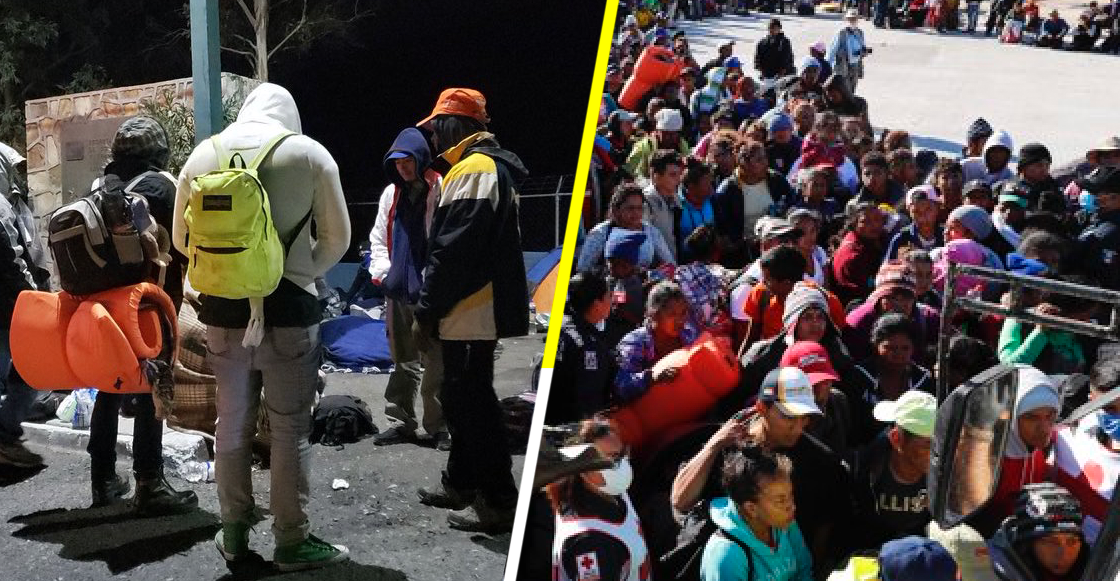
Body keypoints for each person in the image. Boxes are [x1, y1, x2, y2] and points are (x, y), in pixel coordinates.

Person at [173, 83, 351, 568]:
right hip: (291, 314)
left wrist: (229, 276)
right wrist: (294, 274)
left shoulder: (203, 155)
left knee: (230, 422)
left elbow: (179, 239)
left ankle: (233, 533)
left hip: (223, 316)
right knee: (290, 429)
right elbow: (337, 240)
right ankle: (292, 540)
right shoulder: (310, 154)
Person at [409, 88, 529, 533]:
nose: (432, 138)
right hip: (472, 308)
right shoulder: (480, 167)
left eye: (435, 128)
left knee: (473, 402)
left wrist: (427, 309)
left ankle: (497, 499)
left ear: (451, 125)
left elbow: (453, 251)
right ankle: (460, 481)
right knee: (463, 398)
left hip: (470, 310)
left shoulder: (474, 169)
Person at [87, 116, 198, 513]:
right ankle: (149, 483)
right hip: (150, 305)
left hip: (104, 305)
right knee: (153, 385)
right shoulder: (162, 186)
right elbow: (184, 245)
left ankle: (102, 480)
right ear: (158, 152)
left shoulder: (101, 186)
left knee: (109, 383)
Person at [672, 367, 852, 576]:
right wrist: (713, 446)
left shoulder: (822, 462)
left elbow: (825, 527)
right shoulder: (726, 444)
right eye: (789, 417)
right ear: (761, 408)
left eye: (804, 416)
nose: (798, 426)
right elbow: (680, 500)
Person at [367, 127, 449, 450]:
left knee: (435, 361)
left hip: (427, 293)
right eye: (397, 162)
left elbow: (441, 239)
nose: (402, 167)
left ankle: (438, 425)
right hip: (397, 292)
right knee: (402, 360)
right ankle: (401, 422)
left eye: (407, 161)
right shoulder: (391, 194)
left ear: (420, 157)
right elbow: (378, 238)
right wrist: (385, 276)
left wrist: (433, 283)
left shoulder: (439, 188)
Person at [549, 420, 652, 581]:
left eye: (620, 455)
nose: (620, 466)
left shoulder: (612, 491)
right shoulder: (590, 543)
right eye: (609, 459)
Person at [0, 142, 49, 468]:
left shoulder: (10, 202)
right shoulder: (1, 207)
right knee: (34, 371)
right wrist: (35, 298)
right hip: (9, 306)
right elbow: (13, 259)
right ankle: (5, 436)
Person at [700, 446, 814, 581]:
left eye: (791, 496)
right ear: (751, 508)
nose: (792, 506)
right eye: (780, 500)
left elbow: (805, 570)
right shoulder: (726, 556)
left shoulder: (784, 521)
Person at [848, 390, 937, 552]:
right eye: (927, 444)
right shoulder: (864, 470)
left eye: (941, 442)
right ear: (896, 438)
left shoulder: (946, 474)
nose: (937, 453)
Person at [849, 313, 934, 446]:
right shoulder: (858, 378)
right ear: (876, 346)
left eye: (905, 348)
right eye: (890, 348)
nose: (898, 355)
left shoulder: (924, 380)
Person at [712, 139, 794, 265]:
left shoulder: (776, 180)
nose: (766, 163)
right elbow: (724, 230)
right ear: (744, 163)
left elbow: (791, 206)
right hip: (744, 254)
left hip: (778, 246)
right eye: (759, 160)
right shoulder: (727, 190)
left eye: (765, 158)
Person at [614, 281, 697, 403]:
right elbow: (620, 386)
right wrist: (651, 378)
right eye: (672, 314)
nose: (680, 321)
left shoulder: (689, 335)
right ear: (653, 314)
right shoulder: (634, 343)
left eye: (683, 313)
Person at [844, 262, 941, 366]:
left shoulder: (930, 320)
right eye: (891, 297)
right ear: (879, 298)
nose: (898, 304)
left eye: (906, 297)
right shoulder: (858, 323)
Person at [547, 272, 613, 425]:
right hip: (570, 428)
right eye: (609, 296)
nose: (612, 301)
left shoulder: (562, 326)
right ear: (597, 304)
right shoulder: (585, 344)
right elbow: (587, 399)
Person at [989, 483, 1089, 581]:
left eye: (1072, 541)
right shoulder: (986, 568)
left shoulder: (1094, 564)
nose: (1064, 554)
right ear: (1026, 544)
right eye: (1051, 541)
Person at [578, 183, 677, 273]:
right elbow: (582, 269)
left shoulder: (651, 232)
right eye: (630, 208)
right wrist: (613, 271)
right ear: (616, 210)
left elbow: (670, 264)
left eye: (639, 208)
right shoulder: (600, 233)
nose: (636, 213)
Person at [780, 341, 852, 455]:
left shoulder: (838, 401)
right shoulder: (774, 417)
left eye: (824, 382)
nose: (818, 392)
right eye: (809, 384)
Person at [1072, 166, 1120, 291]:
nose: (1093, 198)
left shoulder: (1108, 234)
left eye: (1095, 194)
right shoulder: (1096, 219)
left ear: (1115, 197)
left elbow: (1102, 280)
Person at [831, 203, 888, 307]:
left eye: (877, 219)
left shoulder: (873, 240)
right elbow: (860, 296)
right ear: (854, 224)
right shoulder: (853, 256)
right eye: (866, 221)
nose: (874, 225)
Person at [626, 108, 691, 179]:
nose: (670, 137)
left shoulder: (682, 144)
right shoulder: (643, 147)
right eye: (666, 134)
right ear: (657, 131)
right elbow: (630, 173)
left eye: (674, 134)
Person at [885, 186, 944, 260]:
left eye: (928, 210)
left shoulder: (946, 235)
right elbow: (885, 268)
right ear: (909, 212)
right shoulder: (901, 238)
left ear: (937, 208)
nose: (923, 217)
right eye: (916, 212)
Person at [827, 10, 872, 93]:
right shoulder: (841, 33)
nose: (852, 21)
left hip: (855, 63)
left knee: (852, 88)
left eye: (854, 19)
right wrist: (827, 65)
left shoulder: (860, 32)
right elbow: (832, 49)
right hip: (844, 64)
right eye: (850, 19)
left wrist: (864, 51)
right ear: (846, 20)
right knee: (844, 88)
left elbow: (862, 46)